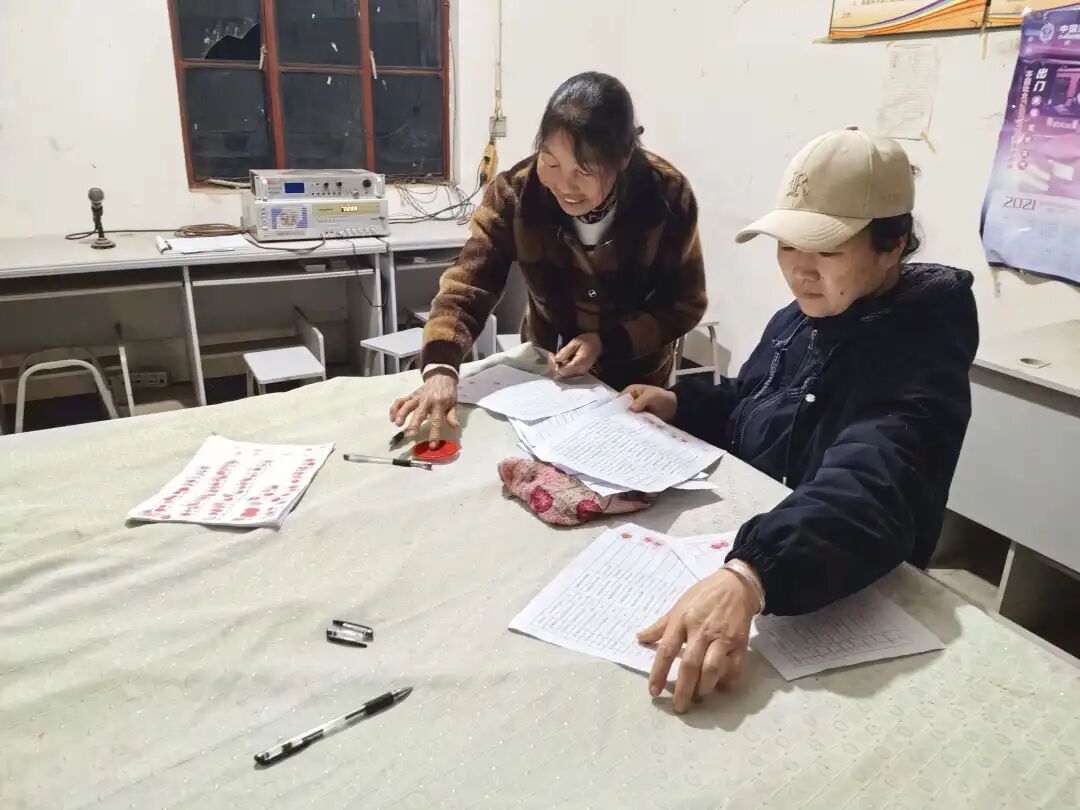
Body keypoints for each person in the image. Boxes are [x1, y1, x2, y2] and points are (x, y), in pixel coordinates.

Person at [625, 127, 978, 713]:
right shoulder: (803, 316)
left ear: (891, 245)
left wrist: (751, 574)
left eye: (827, 251)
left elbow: (874, 481)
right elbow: (755, 401)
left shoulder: (920, 349)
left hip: (841, 588)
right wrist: (683, 406)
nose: (799, 271)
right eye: (788, 246)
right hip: (758, 548)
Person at [390, 72, 707, 445]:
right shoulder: (515, 193)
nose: (565, 186)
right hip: (544, 372)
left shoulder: (666, 197)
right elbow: (469, 283)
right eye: (551, 163)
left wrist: (606, 342)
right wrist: (441, 367)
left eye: (584, 170)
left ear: (623, 157)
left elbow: (684, 304)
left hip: (635, 382)